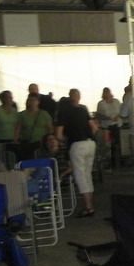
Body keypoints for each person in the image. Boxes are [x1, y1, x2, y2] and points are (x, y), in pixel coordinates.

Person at [55, 89, 98, 217]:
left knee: (80, 176)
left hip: (77, 144)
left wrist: (66, 139)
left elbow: (58, 135)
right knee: (87, 174)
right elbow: (94, 127)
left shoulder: (63, 112)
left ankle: (88, 206)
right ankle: (89, 205)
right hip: (90, 143)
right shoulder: (83, 109)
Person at [16, 93, 54, 160]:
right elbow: (18, 128)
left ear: (38, 102)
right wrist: (15, 139)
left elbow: (50, 128)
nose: (32, 102)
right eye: (30, 100)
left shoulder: (44, 114)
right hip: (26, 142)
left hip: (41, 143)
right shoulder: (22, 114)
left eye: (34, 100)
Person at [96, 87, 122, 169]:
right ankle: (108, 162)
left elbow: (121, 111)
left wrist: (117, 117)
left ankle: (117, 162)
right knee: (107, 145)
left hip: (117, 125)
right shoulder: (101, 104)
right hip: (106, 127)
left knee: (117, 144)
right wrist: (107, 118)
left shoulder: (116, 101)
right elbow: (98, 115)